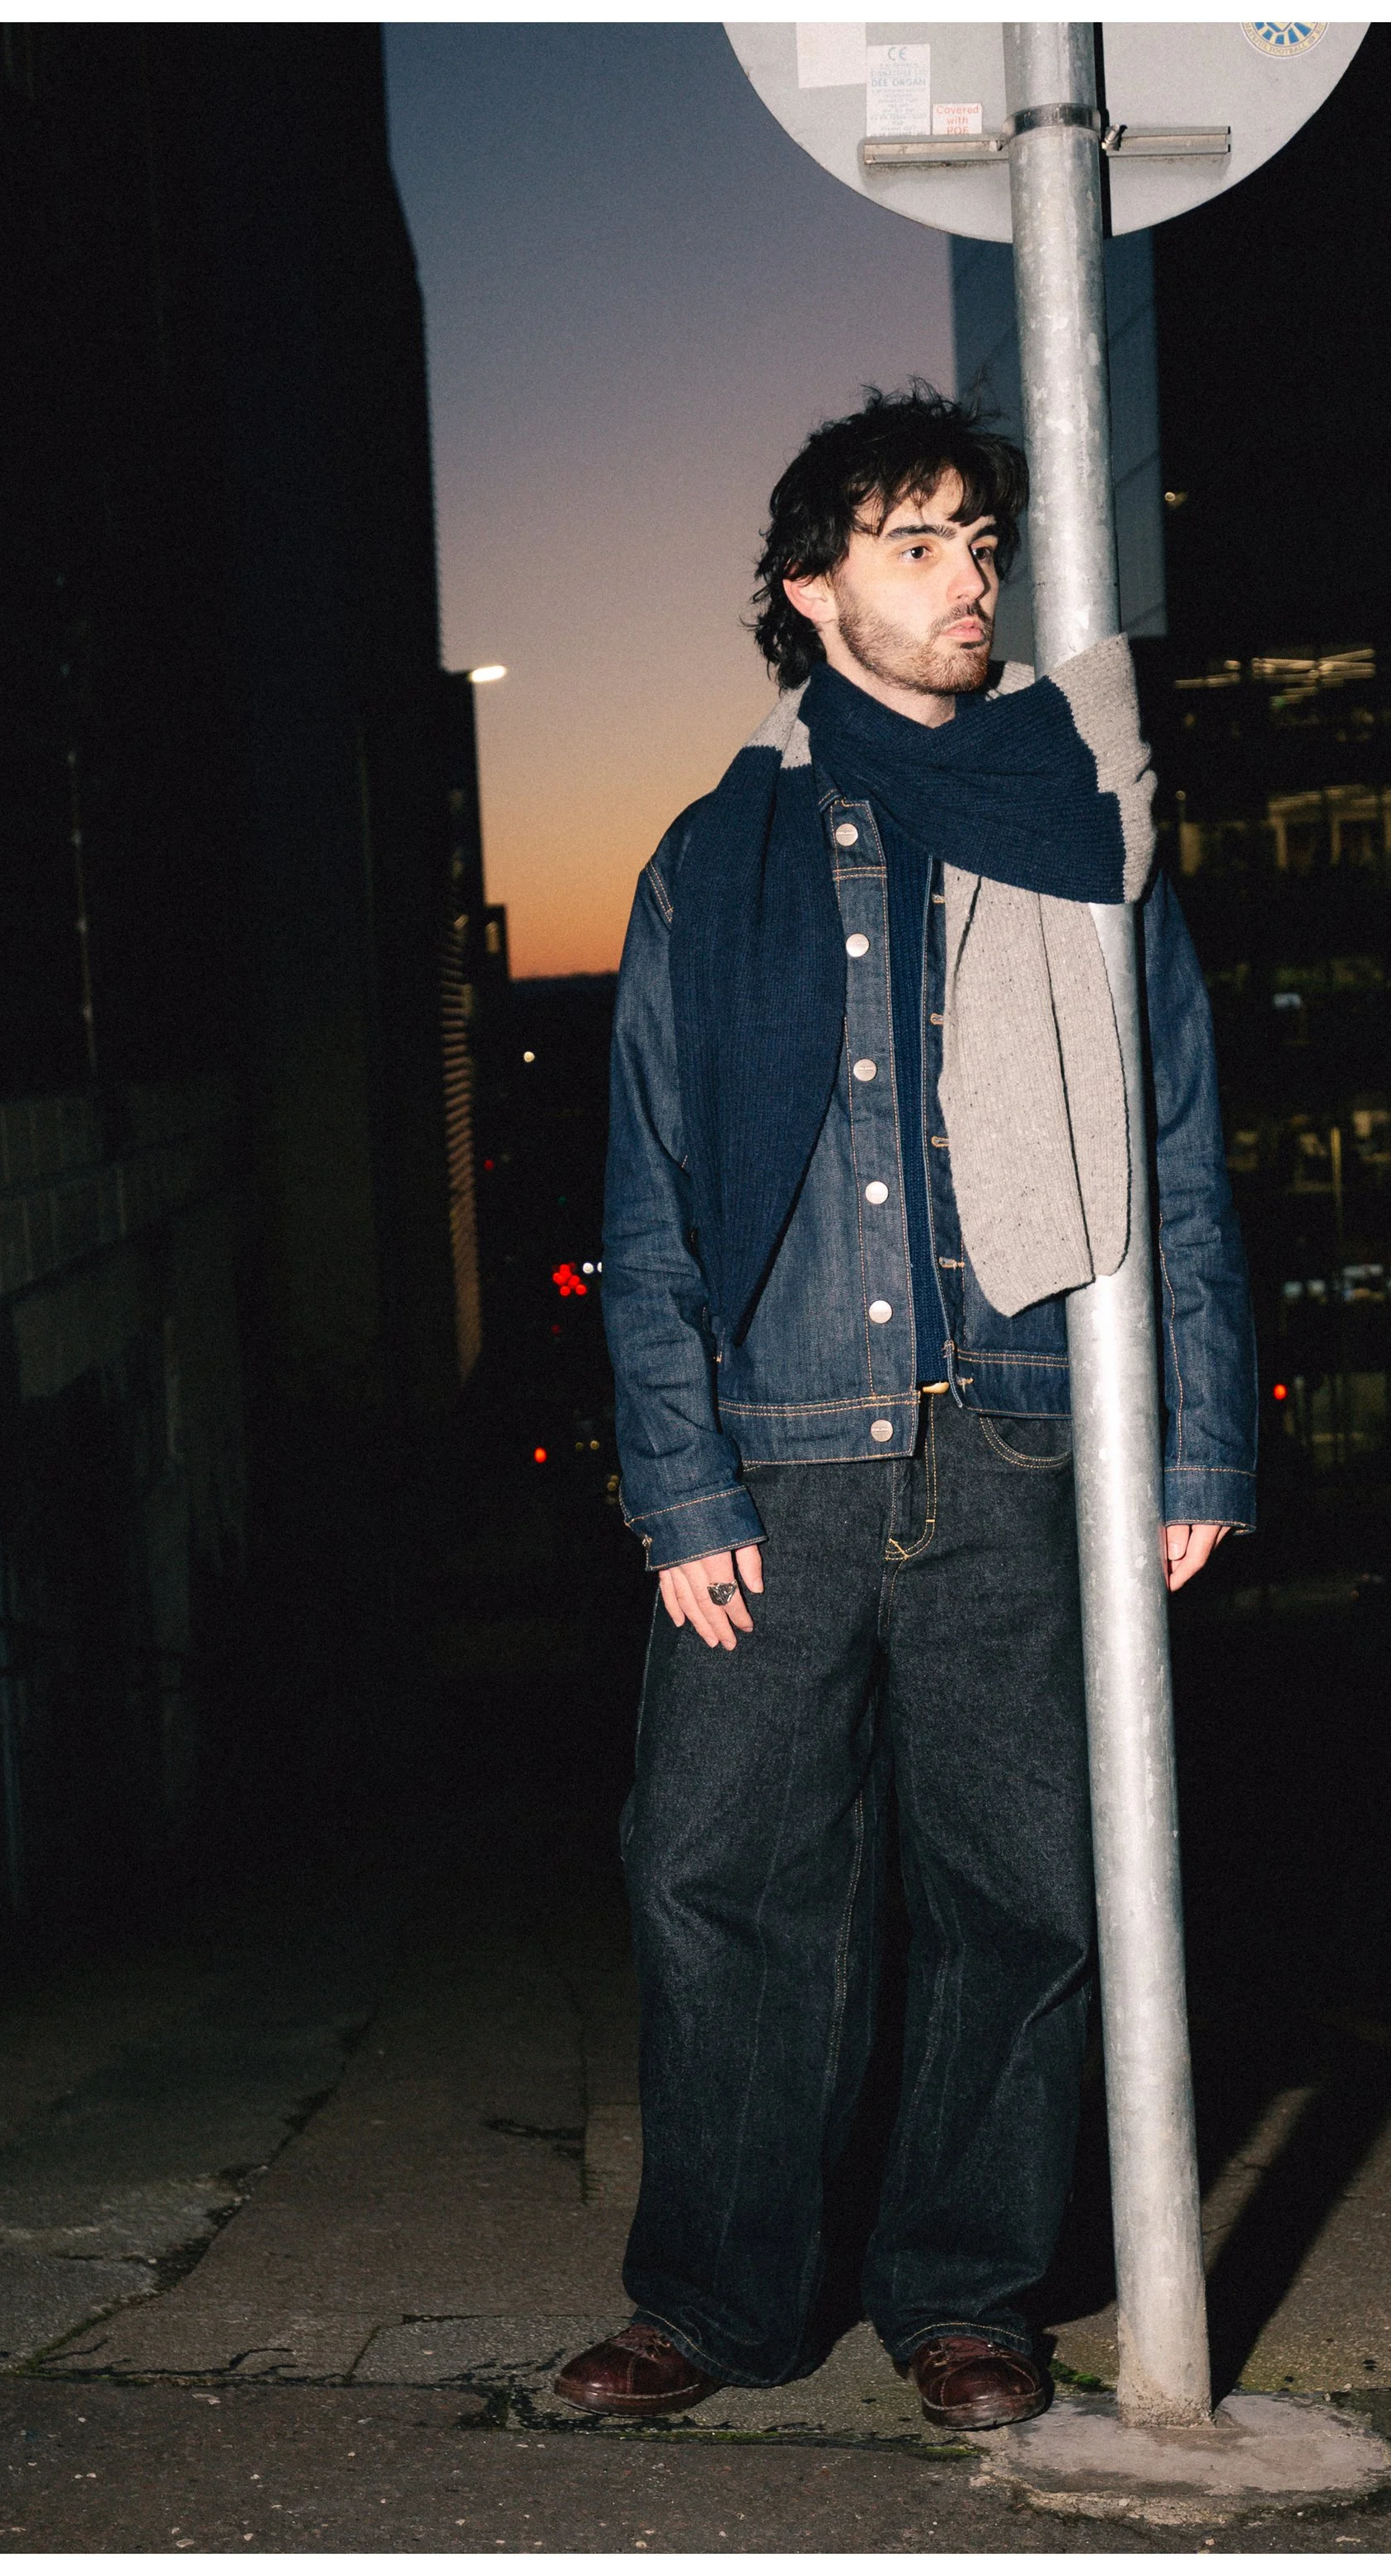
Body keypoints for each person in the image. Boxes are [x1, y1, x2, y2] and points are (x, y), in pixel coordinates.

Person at [555, 387, 1256, 2433]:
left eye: (979, 542)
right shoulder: (715, 855)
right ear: (810, 586)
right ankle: (708, 2298)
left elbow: (1182, 1143)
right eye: (915, 543)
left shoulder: (1084, 821)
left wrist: (1194, 1438)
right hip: (778, 1453)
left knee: (1018, 1890)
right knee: (713, 1876)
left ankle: (962, 2291)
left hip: (1028, 1433)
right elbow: (649, 1196)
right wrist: (677, 1480)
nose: (966, 581)